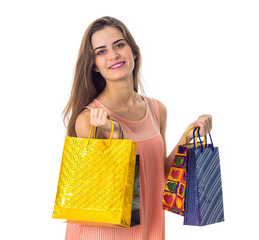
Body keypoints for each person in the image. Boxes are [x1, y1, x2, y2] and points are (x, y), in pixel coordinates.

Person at [61, 16, 212, 240]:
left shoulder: (156, 109)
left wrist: (185, 139)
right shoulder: (89, 120)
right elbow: (107, 194)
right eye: (101, 51)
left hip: (150, 231)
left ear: (133, 51)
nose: (113, 55)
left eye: (119, 45)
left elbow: (159, 178)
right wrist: (114, 136)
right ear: (93, 64)